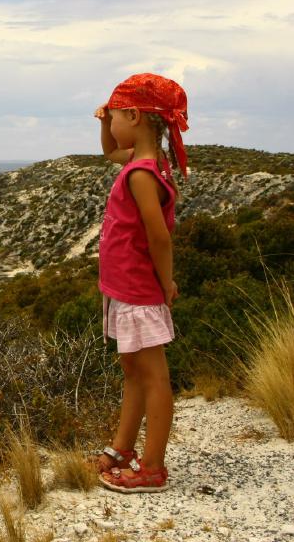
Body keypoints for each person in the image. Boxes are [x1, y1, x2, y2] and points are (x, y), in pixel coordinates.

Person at [91, 73, 190, 493]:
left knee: (152, 377)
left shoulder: (142, 175)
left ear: (132, 114)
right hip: (123, 288)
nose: (110, 122)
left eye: (114, 115)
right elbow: (111, 150)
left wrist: (165, 284)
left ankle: (152, 467)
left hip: (137, 291)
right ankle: (122, 448)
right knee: (132, 369)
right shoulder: (139, 161)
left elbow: (159, 236)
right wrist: (102, 123)